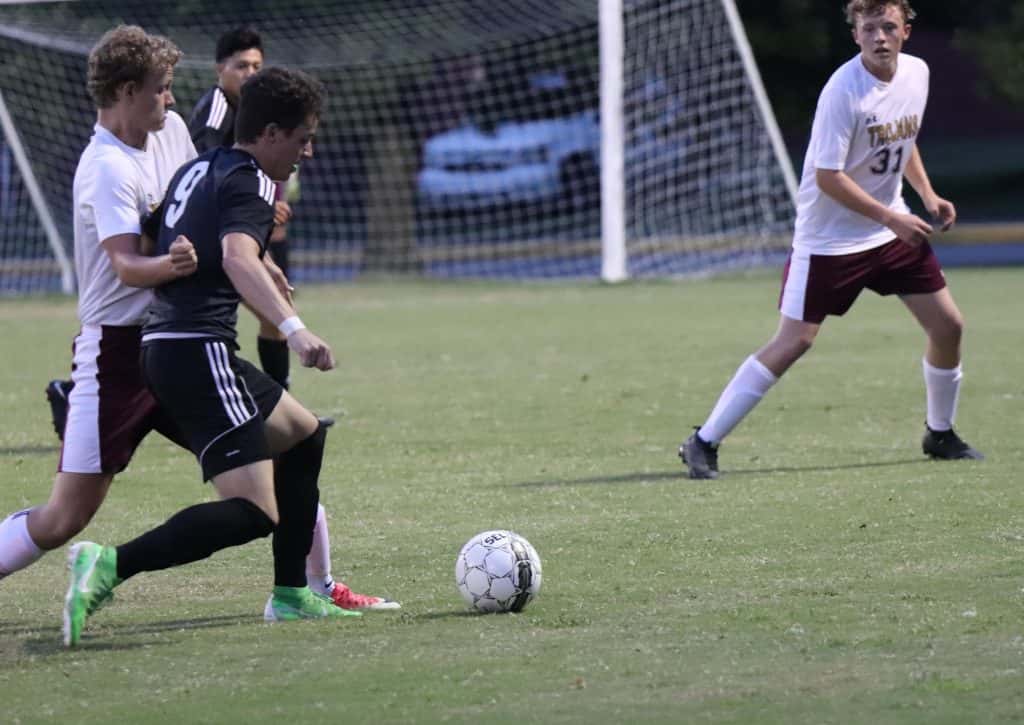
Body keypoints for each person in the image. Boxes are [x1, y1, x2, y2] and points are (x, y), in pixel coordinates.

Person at [0, 26, 392, 619]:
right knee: (64, 518)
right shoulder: (105, 167)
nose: (172, 98)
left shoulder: (173, 133)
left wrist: (258, 250)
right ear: (126, 92)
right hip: (119, 354)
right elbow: (127, 265)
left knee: (296, 439)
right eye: (161, 88)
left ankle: (308, 588)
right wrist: (181, 265)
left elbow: (205, 208)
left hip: (178, 339)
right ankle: (113, 563)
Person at [679, 0, 983, 480]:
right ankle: (703, 442)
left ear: (905, 30)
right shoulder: (843, 91)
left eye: (888, 27)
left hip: (890, 229)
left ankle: (939, 433)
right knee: (794, 342)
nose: (879, 37)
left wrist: (926, 195)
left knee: (948, 327)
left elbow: (900, 139)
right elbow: (828, 177)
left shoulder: (917, 73)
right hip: (830, 240)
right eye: (869, 28)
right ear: (855, 35)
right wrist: (893, 217)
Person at [188, 26, 307, 401]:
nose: (250, 74)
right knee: (267, 314)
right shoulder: (217, 109)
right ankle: (278, 406)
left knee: (275, 314)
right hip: (209, 236)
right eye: (241, 66)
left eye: (257, 66)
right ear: (219, 69)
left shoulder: (253, 112)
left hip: (242, 233)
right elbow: (209, 168)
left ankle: (280, 402)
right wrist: (261, 204)